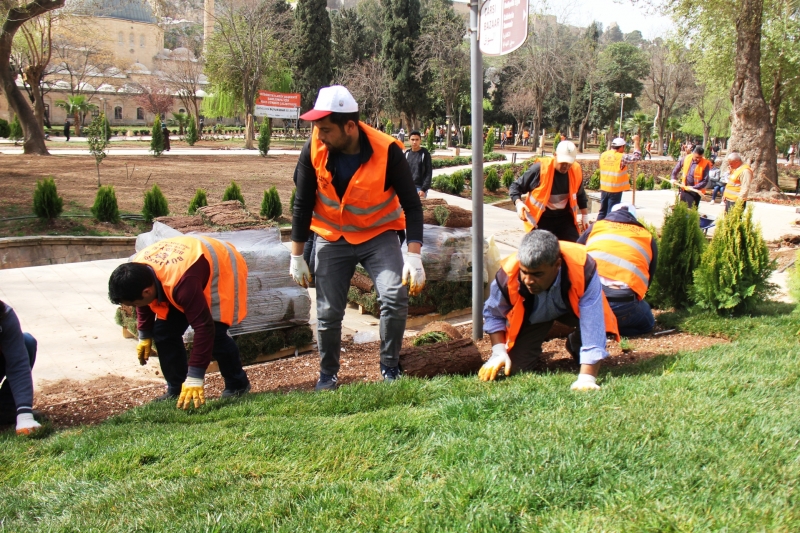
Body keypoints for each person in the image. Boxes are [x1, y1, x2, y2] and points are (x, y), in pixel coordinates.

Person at [289, 85, 425, 391]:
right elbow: (302, 203)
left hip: (378, 234)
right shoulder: (314, 147)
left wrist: (413, 256)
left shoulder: (387, 150)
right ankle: (328, 374)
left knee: (394, 295)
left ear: (349, 126)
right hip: (332, 237)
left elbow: (412, 206)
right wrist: (297, 255)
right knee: (327, 311)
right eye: (316, 129)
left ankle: (389, 366)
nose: (319, 135)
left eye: (325, 129)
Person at [108, 236, 252, 409]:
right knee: (163, 332)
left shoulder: (183, 284)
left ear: (147, 291)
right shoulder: (138, 268)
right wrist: (144, 334)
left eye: (133, 304)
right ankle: (176, 388)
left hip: (222, 268)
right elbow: (143, 301)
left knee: (215, 333)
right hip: (184, 271)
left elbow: (203, 328)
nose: (134, 308)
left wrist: (195, 376)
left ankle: (237, 384)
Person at [478, 230, 619, 390]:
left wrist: (587, 378)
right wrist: (499, 351)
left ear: (557, 265)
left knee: (586, 352)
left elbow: (593, 323)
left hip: (574, 311)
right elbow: (493, 314)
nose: (528, 281)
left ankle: (575, 343)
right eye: (524, 272)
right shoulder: (507, 274)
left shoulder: (583, 267)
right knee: (517, 368)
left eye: (537, 274)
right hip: (533, 317)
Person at [578, 203, 657, 336]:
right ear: (633, 218)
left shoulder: (596, 227)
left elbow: (575, 255)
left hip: (590, 302)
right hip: (624, 305)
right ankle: (614, 329)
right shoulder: (646, 236)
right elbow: (651, 274)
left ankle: (603, 327)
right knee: (647, 323)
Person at [509, 141, 589, 242]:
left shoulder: (575, 170)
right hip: (541, 219)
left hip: (564, 219)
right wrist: (518, 203)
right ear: (555, 155)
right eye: (563, 162)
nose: (565, 166)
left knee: (574, 249)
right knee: (542, 252)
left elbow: (580, 194)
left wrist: (585, 215)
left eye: (569, 163)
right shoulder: (540, 169)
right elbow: (515, 186)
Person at [0, 300, 42, 435]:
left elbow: (18, 365)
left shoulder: (4, 314)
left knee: (26, 342)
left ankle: (7, 409)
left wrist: (25, 415)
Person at [597, 134, 641, 220]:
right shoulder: (621, 157)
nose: (624, 150)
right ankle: (608, 230)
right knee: (611, 213)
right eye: (623, 147)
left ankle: (596, 229)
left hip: (604, 188)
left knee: (602, 211)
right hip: (615, 190)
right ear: (621, 147)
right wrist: (636, 142)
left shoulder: (603, 155)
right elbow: (637, 157)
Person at [405, 130, 432, 199]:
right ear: (409, 140)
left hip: (419, 188)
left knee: (416, 209)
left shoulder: (425, 154)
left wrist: (423, 189)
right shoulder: (406, 154)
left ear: (420, 140)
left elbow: (429, 173)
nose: (414, 142)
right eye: (412, 139)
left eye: (417, 140)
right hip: (407, 187)